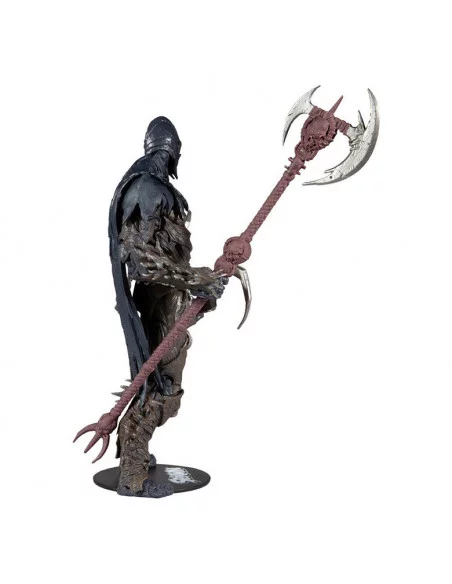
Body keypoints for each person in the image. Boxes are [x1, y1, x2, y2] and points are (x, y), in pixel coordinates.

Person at [108, 117, 225, 496]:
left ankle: (132, 451)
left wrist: (199, 287)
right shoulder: (145, 188)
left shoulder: (154, 186)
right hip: (159, 298)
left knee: (159, 381)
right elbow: (142, 261)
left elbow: (164, 255)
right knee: (165, 389)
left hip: (167, 297)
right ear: (174, 153)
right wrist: (195, 280)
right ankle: (132, 474)